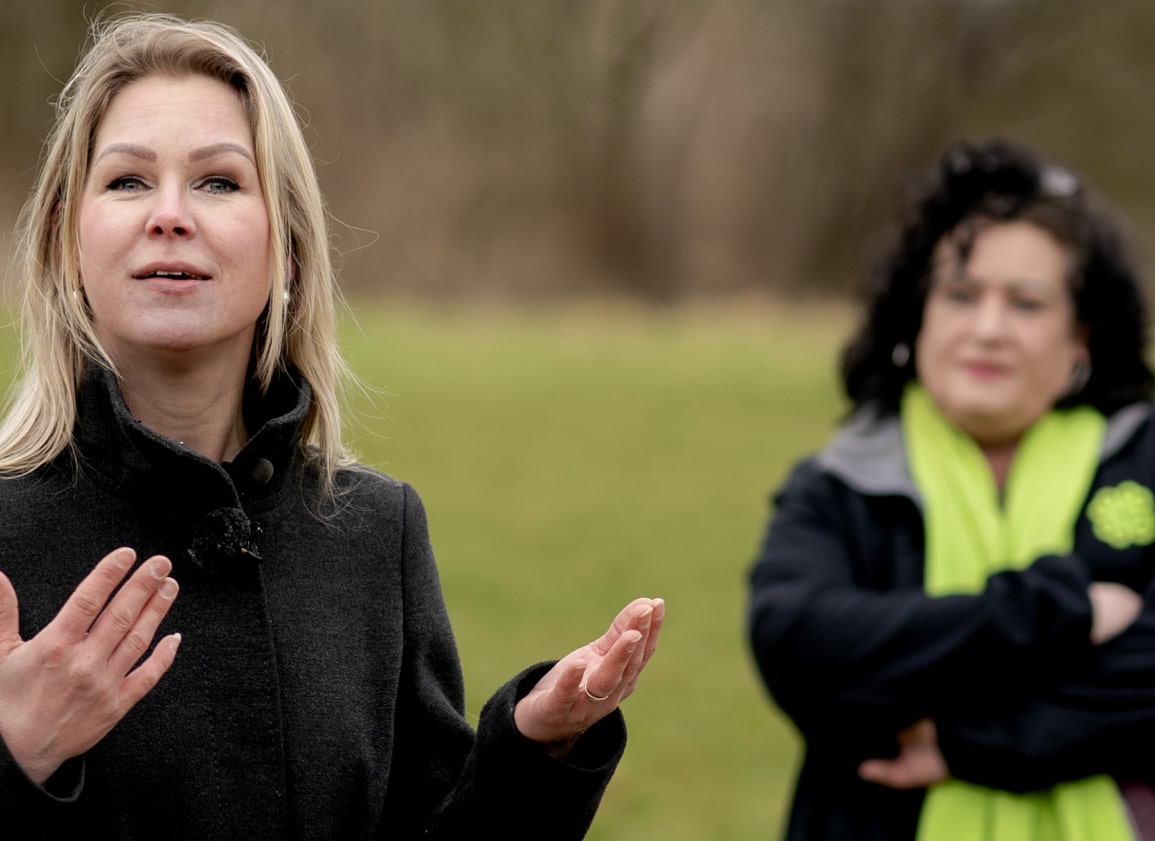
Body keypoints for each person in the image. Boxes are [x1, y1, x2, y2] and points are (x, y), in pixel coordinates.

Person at [0, 13, 664, 840]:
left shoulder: (373, 534)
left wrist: (536, 748)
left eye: (218, 182)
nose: (168, 215)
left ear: (288, 250)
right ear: (67, 238)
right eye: (128, 181)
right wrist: (13, 755)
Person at [746, 138, 1155, 841]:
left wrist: (966, 743)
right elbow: (803, 652)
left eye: (1026, 303)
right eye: (961, 295)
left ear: (1079, 337)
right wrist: (1058, 611)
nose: (987, 329)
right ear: (917, 317)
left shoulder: (1142, 460)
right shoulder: (843, 481)